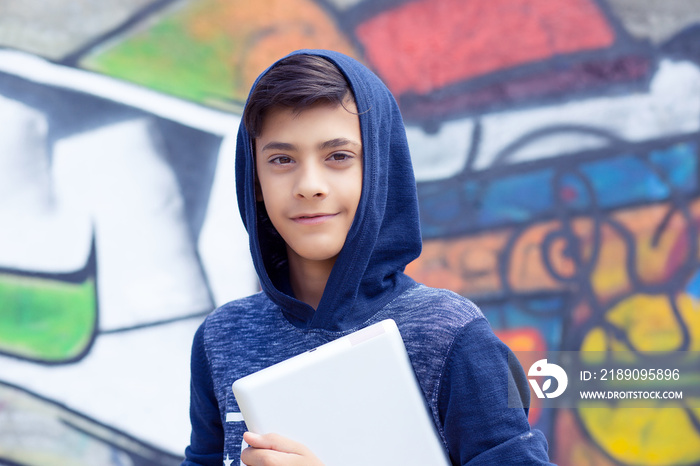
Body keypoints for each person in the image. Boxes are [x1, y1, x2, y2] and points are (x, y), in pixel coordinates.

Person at [182, 49, 554, 465]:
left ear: (380, 170)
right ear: (254, 180)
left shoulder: (449, 334)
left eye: (338, 156)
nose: (309, 185)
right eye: (282, 159)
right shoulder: (222, 338)